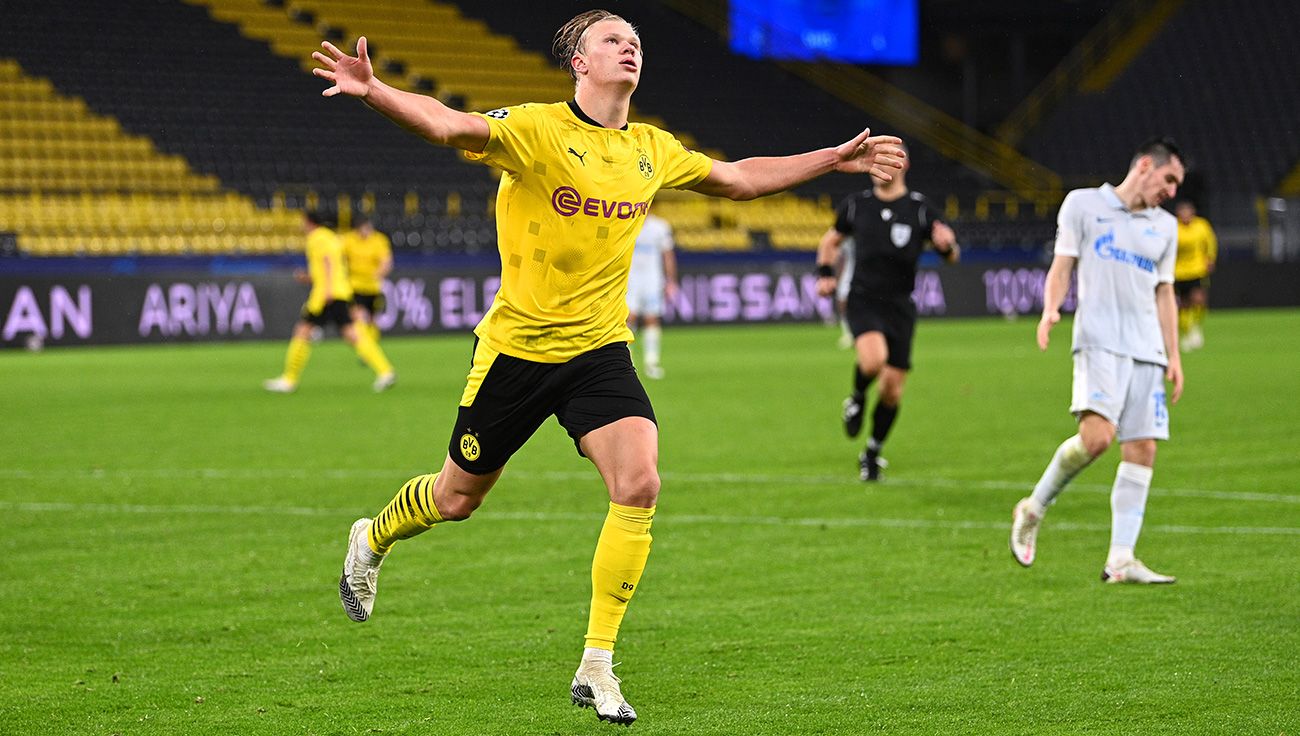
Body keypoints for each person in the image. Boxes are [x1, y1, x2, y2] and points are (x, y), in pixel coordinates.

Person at [313, 9, 903, 725]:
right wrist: (374, 90)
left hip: (598, 351)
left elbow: (740, 179)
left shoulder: (652, 148)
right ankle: (371, 537)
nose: (629, 48)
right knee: (455, 499)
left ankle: (597, 664)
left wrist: (831, 160)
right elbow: (448, 125)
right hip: (518, 353)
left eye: (636, 41)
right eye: (613, 40)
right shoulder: (535, 129)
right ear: (578, 62)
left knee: (641, 480)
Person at [1010, 137, 1186, 584]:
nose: (1173, 191)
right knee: (1096, 439)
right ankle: (1034, 507)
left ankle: (1121, 558)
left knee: (1143, 448)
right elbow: (1063, 264)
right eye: (1169, 179)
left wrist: (1174, 355)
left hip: (1146, 346)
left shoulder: (1166, 227)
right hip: (1100, 340)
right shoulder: (1083, 205)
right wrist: (1051, 308)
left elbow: (1165, 292)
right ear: (1145, 165)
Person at [814, 145, 959, 481]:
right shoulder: (856, 206)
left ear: (902, 164)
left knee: (893, 389)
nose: (877, 167)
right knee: (872, 361)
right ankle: (857, 397)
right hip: (863, 299)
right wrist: (825, 274)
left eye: (886, 161)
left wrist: (947, 246)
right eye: (875, 162)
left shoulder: (921, 210)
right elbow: (830, 241)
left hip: (900, 306)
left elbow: (952, 253)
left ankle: (872, 451)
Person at [264, 211, 397, 394]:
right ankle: (385, 371)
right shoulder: (332, 238)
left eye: (303, 222)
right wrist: (310, 278)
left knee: (302, 331)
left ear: (309, 222)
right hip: (341, 291)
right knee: (352, 334)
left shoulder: (316, 238)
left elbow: (327, 262)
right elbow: (333, 264)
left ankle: (289, 379)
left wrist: (326, 289)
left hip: (326, 294)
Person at [625, 212, 677, 379]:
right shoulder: (627, 222)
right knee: (628, 319)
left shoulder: (659, 227)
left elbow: (667, 255)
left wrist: (671, 281)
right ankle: (627, 363)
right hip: (630, 280)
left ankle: (651, 363)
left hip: (652, 280)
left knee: (652, 319)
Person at [341, 214, 393, 346]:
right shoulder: (348, 240)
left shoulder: (379, 240)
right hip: (355, 285)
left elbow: (386, 261)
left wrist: (379, 272)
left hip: (374, 286)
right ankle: (364, 346)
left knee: (372, 319)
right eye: (363, 228)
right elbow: (339, 257)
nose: (366, 231)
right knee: (358, 315)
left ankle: (371, 344)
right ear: (358, 228)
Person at [1173, 199, 1217, 351]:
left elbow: (1210, 242)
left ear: (1193, 213)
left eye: (1188, 212)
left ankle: (1195, 326)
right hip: (1179, 272)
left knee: (1199, 300)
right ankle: (1187, 331)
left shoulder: (1201, 226)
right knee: (1183, 306)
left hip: (1197, 270)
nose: (1185, 215)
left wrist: (1210, 258)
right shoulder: (1173, 228)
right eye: (1182, 212)